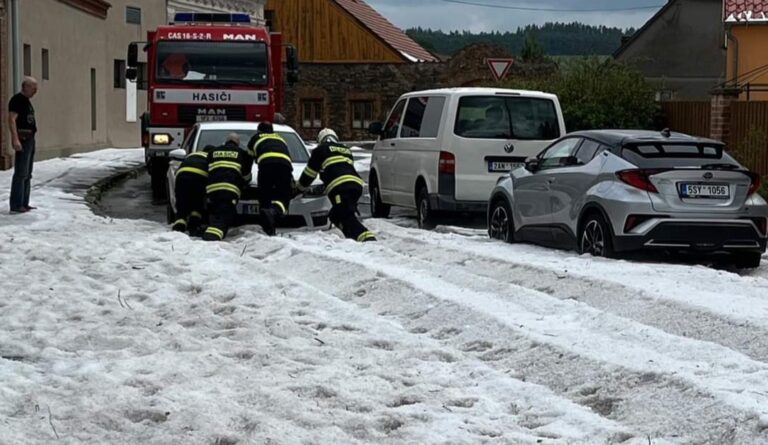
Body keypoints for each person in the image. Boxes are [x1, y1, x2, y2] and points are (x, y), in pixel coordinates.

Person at [296, 128, 376, 242]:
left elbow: (309, 174)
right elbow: (338, 169)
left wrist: (299, 188)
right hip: (355, 186)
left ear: (320, 140)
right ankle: (352, 239)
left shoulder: (320, 150)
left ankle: (367, 239)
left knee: (346, 217)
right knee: (335, 215)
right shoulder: (346, 150)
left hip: (340, 188)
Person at [203, 134, 253, 241]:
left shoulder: (213, 152)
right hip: (229, 189)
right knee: (223, 215)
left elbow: (207, 169)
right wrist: (245, 182)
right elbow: (246, 176)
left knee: (218, 211)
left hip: (212, 190)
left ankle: (214, 232)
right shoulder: (241, 153)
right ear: (237, 143)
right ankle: (212, 236)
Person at [247, 122, 293, 236]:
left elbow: (248, 159)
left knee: (264, 195)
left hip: (266, 166)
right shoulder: (280, 138)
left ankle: (268, 226)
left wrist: (246, 177)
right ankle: (274, 211)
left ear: (259, 131)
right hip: (284, 167)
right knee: (285, 196)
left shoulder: (255, 138)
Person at [7, 77, 38, 214]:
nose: (35, 91)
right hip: (23, 137)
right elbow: (11, 119)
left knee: (28, 173)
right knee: (21, 172)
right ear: (25, 86)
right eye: (33, 87)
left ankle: (24, 202)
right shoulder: (17, 100)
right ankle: (16, 203)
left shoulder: (27, 102)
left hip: (30, 137)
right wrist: (15, 139)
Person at [171, 145, 215, 236]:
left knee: (182, 201)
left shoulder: (192, 155)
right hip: (199, 177)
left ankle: (180, 223)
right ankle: (194, 224)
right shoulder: (211, 158)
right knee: (197, 201)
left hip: (181, 176)